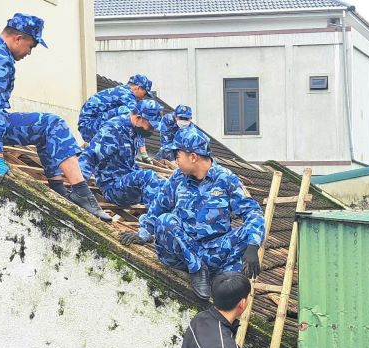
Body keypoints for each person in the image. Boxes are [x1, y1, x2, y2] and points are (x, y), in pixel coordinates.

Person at [0, 13, 110, 222]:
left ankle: (58, 187)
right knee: (52, 124)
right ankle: (82, 193)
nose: (29, 53)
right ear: (18, 38)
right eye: (31, 46)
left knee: (44, 130)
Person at [125, 125, 265, 299]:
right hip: (184, 253)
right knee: (165, 220)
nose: (176, 161)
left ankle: (221, 277)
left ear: (193, 157)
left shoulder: (226, 179)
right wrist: (143, 233)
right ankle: (197, 270)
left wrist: (253, 245)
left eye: (178, 156)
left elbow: (253, 213)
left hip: (214, 251)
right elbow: (158, 207)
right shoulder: (177, 178)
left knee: (249, 233)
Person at [78, 100, 165, 208]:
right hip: (113, 188)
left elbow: (128, 164)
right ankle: (154, 220)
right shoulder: (114, 129)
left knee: (165, 186)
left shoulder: (135, 131)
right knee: (148, 176)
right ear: (138, 118)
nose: (152, 131)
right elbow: (89, 156)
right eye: (151, 127)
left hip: (128, 185)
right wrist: (79, 187)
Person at [77, 73, 154, 143]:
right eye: (144, 94)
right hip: (89, 127)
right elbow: (136, 120)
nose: (143, 98)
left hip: (89, 126)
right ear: (138, 88)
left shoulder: (120, 91)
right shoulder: (127, 95)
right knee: (129, 114)